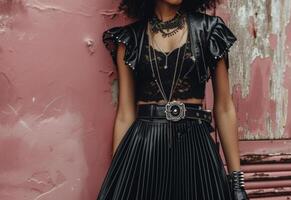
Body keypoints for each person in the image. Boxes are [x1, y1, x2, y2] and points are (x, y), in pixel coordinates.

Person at [97, 0, 249, 199]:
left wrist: (237, 183)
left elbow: (224, 108)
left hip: (195, 150)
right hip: (144, 151)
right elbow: (125, 114)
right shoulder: (130, 39)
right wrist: (118, 179)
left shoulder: (210, 30)